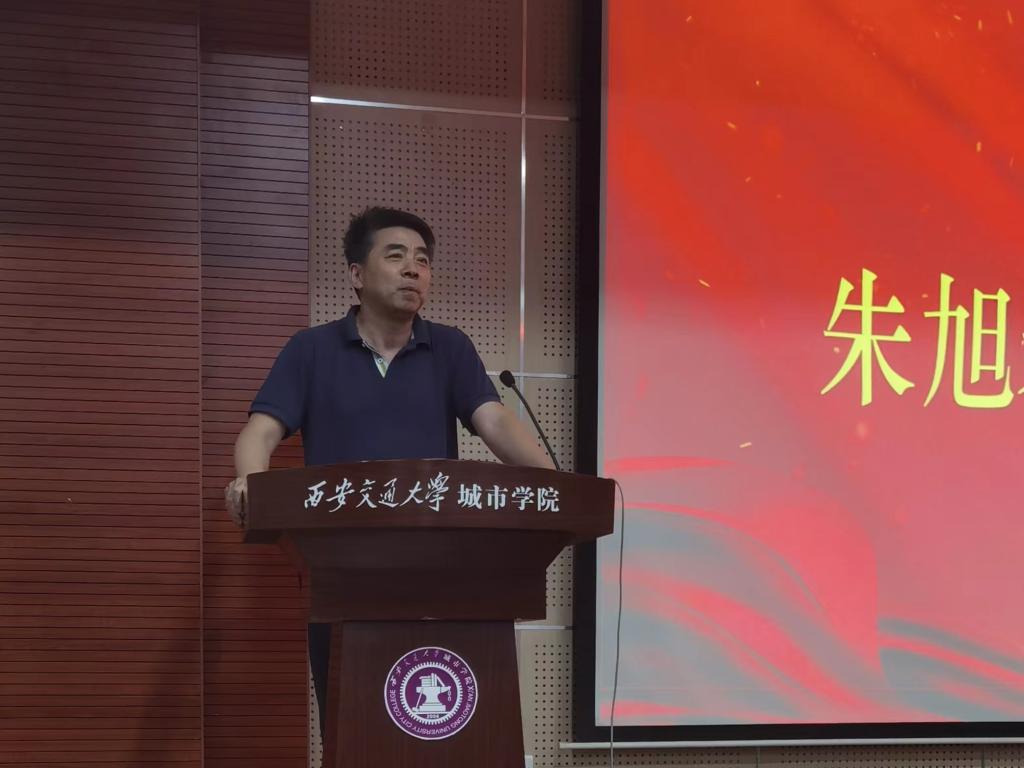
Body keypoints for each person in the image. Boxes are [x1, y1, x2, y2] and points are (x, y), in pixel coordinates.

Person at [223, 206, 555, 731]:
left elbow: (493, 422)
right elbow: (261, 431)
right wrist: (250, 481)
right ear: (356, 274)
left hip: (441, 571)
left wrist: (555, 485)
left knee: (441, 725)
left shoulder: (450, 347)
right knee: (354, 728)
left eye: (423, 260)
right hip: (340, 570)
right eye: (396, 256)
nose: (413, 269)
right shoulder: (311, 350)